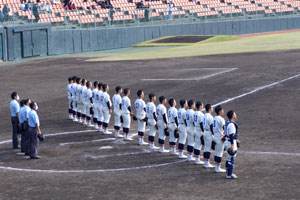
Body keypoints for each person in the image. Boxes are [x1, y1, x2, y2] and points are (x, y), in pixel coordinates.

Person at [224, 110, 239, 179]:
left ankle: (227, 172)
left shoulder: (227, 123)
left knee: (228, 158)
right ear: (233, 116)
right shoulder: (232, 125)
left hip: (227, 141)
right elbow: (231, 135)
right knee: (231, 159)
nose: (235, 115)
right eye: (234, 114)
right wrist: (232, 145)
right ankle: (229, 174)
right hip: (230, 142)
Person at [213, 105, 226, 173]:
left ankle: (216, 167)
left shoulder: (214, 118)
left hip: (215, 136)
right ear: (220, 111)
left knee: (217, 152)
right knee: (219, 153)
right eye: (222, 110)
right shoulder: (221, 119)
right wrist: (226, 135)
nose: (223, 111)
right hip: (220, 137)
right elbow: (224, 128)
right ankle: (218, 168)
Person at [203, 104, 215, 168]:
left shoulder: (205, 115)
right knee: (208, 148)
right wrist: (214, 134)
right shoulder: (210, 116)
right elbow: (211, 126)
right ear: (210, 109)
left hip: (205, 132)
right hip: (208, 133)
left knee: (206, 148)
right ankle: (207, 163)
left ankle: (205, 162)